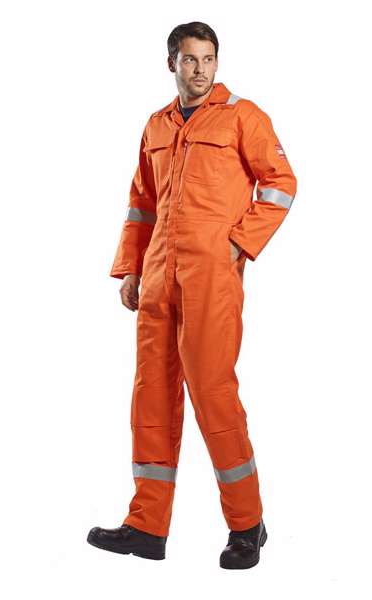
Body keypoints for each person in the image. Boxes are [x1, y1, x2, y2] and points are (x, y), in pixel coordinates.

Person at [87, 21, 297, 570]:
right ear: (172, 64)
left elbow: (281, 183)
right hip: (158, 279)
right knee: (151, 397)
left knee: (213, 395)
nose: (199, 69)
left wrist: (238, 243)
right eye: (189, 59)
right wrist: (131, 270)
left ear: (216, 62)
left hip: (212, 281)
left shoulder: (243, 117)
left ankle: (247, 525)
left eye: (207, 59)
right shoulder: (156, 125)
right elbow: (141, 203)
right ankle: (146, 525)